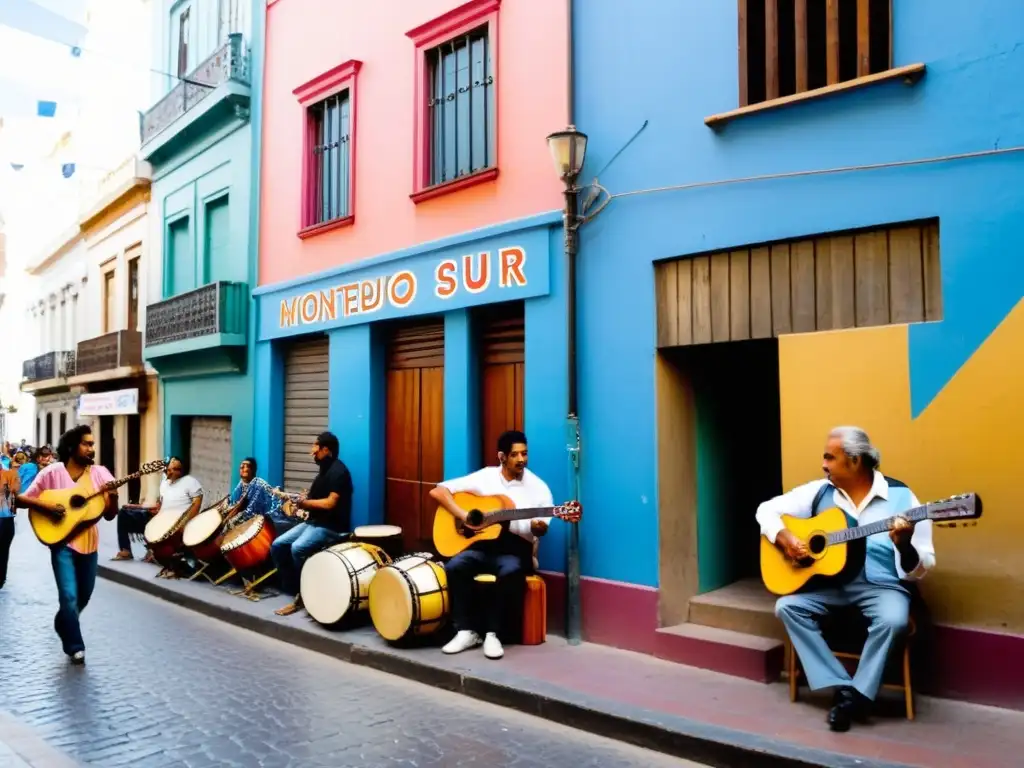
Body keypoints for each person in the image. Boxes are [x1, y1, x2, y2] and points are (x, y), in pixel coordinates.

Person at [756, 426, 936, 732]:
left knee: (894, 619)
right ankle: (838, 684)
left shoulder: (903, 497)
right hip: (833, 586)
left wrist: (903, 545)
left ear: (854, 461)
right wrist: (785, 537)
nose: (824, 464)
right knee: (787, 607)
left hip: (882, 586)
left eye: (830, 457)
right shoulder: (819, 491)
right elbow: (765, 510)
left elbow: (923, 566)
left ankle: (859, 697)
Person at [430, 430, 553, 660]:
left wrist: (539, 527)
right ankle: (466, 631)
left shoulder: (539, 488)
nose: (521, 460)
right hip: (483, 546)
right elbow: (438, 490)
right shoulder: (485, 477)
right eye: (515, 455)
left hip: (516, 548)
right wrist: (464, 515)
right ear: (502, 457)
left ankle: (493, 634)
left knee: (510, 571)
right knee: (455, 566)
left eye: (524, 454)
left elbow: (541, 528)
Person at [16, 425, 117, 664]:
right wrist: (47, 506)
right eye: (87, 443)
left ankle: (63, 623)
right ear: (72, 446)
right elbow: (20, 499)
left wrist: (112, 495)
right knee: (69, 596)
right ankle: (75, 647)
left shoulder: (101, 473)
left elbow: (111, 514)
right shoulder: (52, 472)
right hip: (61, 544)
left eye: (92, 444)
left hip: (90, 545)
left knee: (84, 595)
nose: (92, 448)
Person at [271, 431, 353, 617]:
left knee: (297, 548)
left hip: (331, 527)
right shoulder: (322, 473)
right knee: (278, 545)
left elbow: (330, 503)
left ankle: (307, 593)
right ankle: (293, 588)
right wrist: (299, 501)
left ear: (326, 450)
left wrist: (304, 503)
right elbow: (313, 500)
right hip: (314, 522)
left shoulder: (339, 472)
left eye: (316, 449)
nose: (312, 453)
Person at [224, 457, 298, 535]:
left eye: (246, 466)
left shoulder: (257, 484)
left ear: (253, 470)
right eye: (241, 466)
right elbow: (234, 502)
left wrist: (229, 523)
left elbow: (250, 512)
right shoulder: (242, 483)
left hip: (277, 515)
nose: (242, 468)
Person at [0, 464, 20, 589]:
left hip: (5, 517)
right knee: (3, 550)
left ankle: (1, 578)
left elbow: (15, 490)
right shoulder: (11, 474)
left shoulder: (10, 474)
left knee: (3, 550)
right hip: (6, 518)